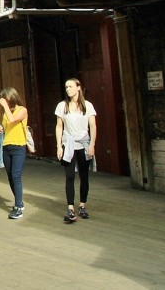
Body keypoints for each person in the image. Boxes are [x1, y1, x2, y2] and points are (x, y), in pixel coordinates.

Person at [55, 77, 97, 224]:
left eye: (71, 86)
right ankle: (70, 208)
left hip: (84, 143)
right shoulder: (62, 106)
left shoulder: (88, 106)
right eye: (66, 87)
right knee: (70, 176)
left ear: (78, 87)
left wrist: (92, 144)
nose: (68, 89)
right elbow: (59, 126)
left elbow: (93, 126)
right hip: (69, 143)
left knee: (84, 176)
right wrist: (59, 145)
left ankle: (83, 205)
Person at [0, 87, 29, 219]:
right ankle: (19, 200)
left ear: (11, 97)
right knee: (10, 177)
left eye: (5, 98)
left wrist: (5, 107)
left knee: (16, 175)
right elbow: (6, 125)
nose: (3, 101)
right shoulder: (6, 113)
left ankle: (18, 207)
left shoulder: (22, 110)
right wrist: (0, 128)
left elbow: (13, 120)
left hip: (19, 147)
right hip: (6, 146)